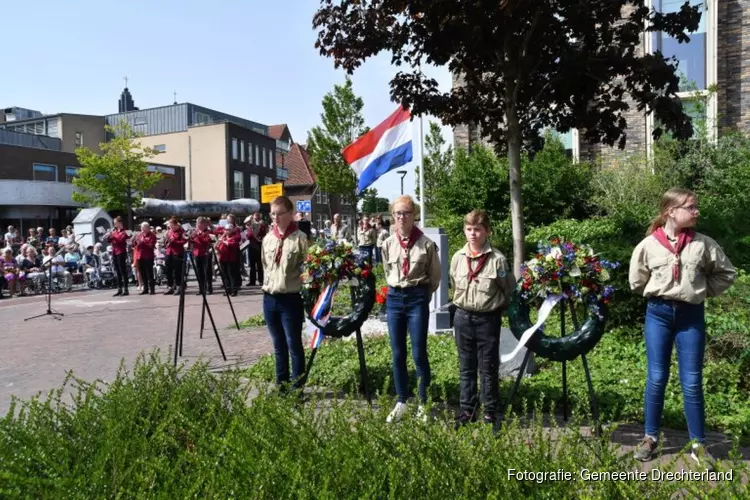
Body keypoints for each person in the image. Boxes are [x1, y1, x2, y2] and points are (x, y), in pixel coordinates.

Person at [629, 188, 736, 468]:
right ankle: (650, 438)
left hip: (691, 316)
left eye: (695, 207)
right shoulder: (648, 245)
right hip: (659, 315)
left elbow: (727, 273)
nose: (696, 211)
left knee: (691, 381)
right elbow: (637, 280)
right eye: (691, 207)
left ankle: (698, 444)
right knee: (656, 377)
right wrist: (660, 292)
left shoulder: (703, 244)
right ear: (671, 211)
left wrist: (700, 291)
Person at [449, 210, 515, 427]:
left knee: (488, 368)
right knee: (466, 367)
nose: (473, 234)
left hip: (487, 319)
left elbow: (508, 290)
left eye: (477, 229)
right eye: (469, 229)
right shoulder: (458, 258)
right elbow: (452, 284)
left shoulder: (498, 260)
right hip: (462, 317)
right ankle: (467, 410)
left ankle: (490, 412)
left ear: (487, 231)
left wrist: (496, 311)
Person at [381, 195, 441, 423]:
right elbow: (387, 270)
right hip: (395, 298)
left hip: (417, 298)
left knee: (418, 352)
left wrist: (421, 296)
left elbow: (435, 277)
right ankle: (402, 401)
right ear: (393, 216)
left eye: (406, 213)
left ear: (414, 215)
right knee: (397, 353)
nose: (401, 217)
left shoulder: (426, 244)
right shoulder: (387, 243)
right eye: (397, 213)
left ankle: (423, 403)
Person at [262, 196, 309, 392]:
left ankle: (297, 387)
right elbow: (265, 264)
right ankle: (281, 386)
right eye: (273, 214)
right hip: (270, 298)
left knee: (294, 345)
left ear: (290, 214)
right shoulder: (268, 238)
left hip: (290, 298)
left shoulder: (300, 239)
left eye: (280, 213)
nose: (276, 217)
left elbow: (308, 269)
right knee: (278, 345)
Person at [104, 217, 130, 296]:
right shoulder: (114, 231)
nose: (114, 224)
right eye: (114, 223)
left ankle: (126, 289)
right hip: (114, 252)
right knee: (117, 271)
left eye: (115, 222)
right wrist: (109, 236)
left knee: (123, 271)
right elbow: (109, 241)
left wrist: (113, 236)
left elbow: (120, 240)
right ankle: (119, 289)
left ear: (120, 223)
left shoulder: (125, 231)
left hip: (121, 252)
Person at [217, 214, 242, 296]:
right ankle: (227, 290)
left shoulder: (233, 237)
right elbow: (218, 248)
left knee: (232, 275)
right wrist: (218, 244)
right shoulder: (223, 237)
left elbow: (231, 244)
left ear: (231, 230)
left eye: (228, 230)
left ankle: (234, 290)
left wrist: (223, 240)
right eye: (225, 229)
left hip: (231, 259)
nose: (226, 231)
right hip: (223, 258)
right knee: (225, 275)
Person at [190, 217, 214, 295]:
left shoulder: (208, 232)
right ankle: (201, 288)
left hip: (205, 253)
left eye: (198, 223)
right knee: (199, 271)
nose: (197, 225)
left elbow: (206, 241)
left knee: (207, 271)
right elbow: (193, 241)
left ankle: (209, 288)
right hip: (197, 253)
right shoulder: (195, 231)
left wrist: (198, 235)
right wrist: (191, 237)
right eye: (197, 223)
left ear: (203, 224)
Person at [164, 217, 187, 295]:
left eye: (172, 225)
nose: (171, 227)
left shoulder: (182, 231)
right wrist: (166, 240)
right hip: (169, 252)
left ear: (176, 225)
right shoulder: (169, 231)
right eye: (170, 226)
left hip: (177, 252)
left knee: (177, 271)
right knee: (168, 270)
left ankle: (179, 286)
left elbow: (184, 241)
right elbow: (167, 241)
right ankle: (170, 286)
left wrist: (174, 241)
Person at [245, 212, 268, 287]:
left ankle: (261, 280)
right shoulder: (250, 225)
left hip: (259, 245)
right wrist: (250, 228)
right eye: (255, 218)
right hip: (252, 246)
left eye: (257, 217)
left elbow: (264, 233)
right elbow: (248, 236)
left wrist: (261, 226)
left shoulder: (262, 225)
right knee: (252, 265)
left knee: (259, 264)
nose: (256, 219)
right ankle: (252, 281)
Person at [135, 222, 157, 295]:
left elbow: (151, 246)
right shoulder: (139, 235)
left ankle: (152, 289)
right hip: (140, 256)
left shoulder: (152, 235)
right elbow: (135, 245)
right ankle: (145, 289)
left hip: (148, 256)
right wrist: (135, 241)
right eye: (141, 227)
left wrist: (142, 242)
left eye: (143, 227)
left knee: (149, 273)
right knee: (143, 273)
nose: (141, 229)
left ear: (147, 227)